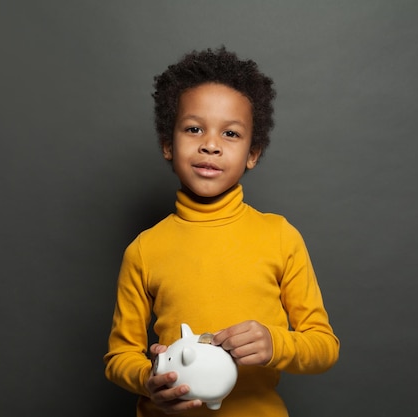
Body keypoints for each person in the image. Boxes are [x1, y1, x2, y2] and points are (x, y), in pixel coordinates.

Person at [103, 46, 339, 416]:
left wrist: (275, 344)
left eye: (230, 133)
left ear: (252, 153)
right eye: (194, 129)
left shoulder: (279, 236)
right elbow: (119, 357)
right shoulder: (144, 250)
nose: (210, 145)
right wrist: (151, 379)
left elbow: (323, 347)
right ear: (168, 143)